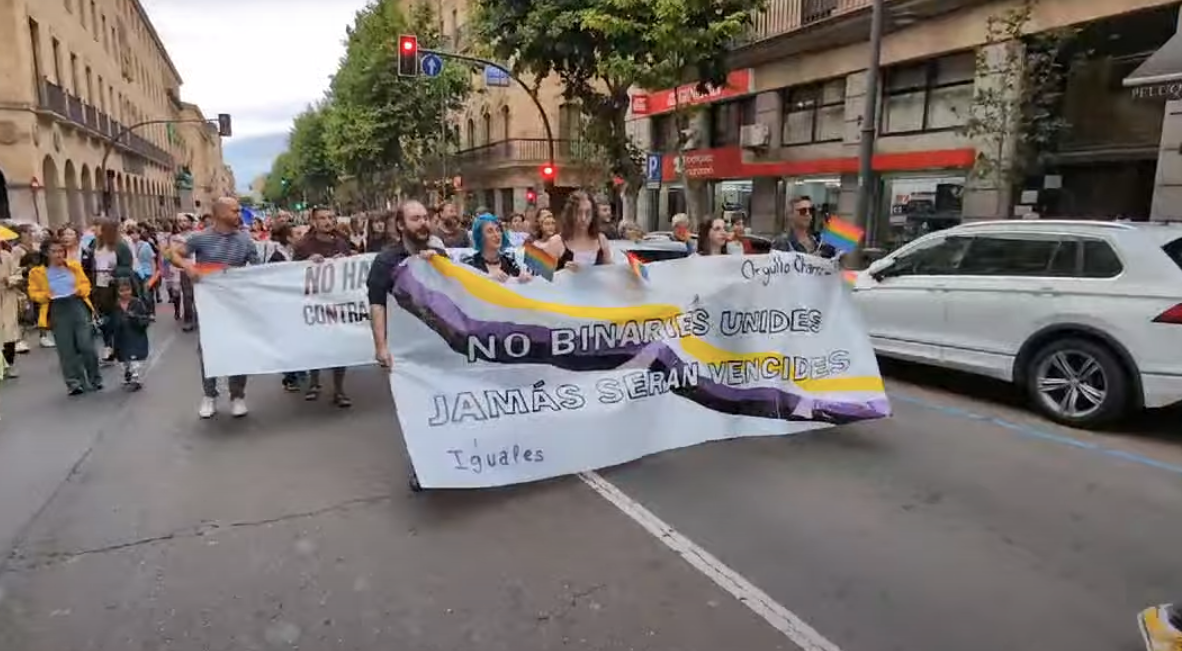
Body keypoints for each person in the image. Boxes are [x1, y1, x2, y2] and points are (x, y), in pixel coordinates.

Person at [168, 197, 259, 419]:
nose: (239, 215)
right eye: (235, 211)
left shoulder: (245, 240)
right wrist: (187, 265)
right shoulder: (200, 238)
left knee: (238, 348)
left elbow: (258, 269)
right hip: (210, 304)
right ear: (219, 213)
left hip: (236, 303)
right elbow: (173, 254)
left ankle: (237, 396)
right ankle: (209, 395)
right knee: (208, 348)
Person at [366, 201, 446, 370]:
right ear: (401, 225)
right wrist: (381, 347)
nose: (423, 223)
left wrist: (438, 264)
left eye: (425, 218)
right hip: (405, 347)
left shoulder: (439, 255)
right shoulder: (385, 261)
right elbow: (377, 305)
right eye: (415, 219)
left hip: (440, 343)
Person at [292, 207, 353, 407]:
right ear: (314, 222)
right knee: (315, 343)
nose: (327, 221)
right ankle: (314, 383)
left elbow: (352, 268)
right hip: (314, 302)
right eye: (322, 218)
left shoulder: (342, 242)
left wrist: (345, 261)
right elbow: (290, 272)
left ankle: (339, 389)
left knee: (340, 345)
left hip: (337, 301)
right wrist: (306, 263)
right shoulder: (303, 245)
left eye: (331, 217)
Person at [27, 238, 102, 395]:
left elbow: (86, 284)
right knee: (66, 349)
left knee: (86, 345)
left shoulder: (73, 266)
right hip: (56, 308)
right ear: (46, 253)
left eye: (61, 251)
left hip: (77, 305)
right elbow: (33, 293)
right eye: (54, 251)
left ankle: (95, 378)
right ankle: (74, 383)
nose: (58, 254)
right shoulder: (37, 272)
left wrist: (80, 290)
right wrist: (46, 295)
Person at [85, 218, 136, 363]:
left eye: (98, 226)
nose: (94, 229)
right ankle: (108, 345)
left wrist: (114, 272)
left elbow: (128, 268)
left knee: (117, 318)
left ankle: (121, 346)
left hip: (116, 287)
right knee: (103, 320)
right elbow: (89, 264)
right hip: (99, 288)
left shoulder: (121, 246)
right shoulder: (94, 244)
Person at [463, 213, 533, 284]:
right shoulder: (470, 263)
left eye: (498, 230)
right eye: (490, 231)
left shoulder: (510, 262)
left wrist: (525, 278)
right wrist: (489, 278)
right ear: (480, 237)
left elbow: (522, 282)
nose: (496, 235)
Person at [109, 277, 151, 391]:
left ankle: (135, 378)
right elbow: (111, 322)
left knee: (135, 361)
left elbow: (145, 319)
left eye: (128, 289)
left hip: (136, 336)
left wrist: (136, 318)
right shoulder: (114, 306)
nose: (125, 293)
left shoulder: (137, 303)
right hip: (121, 339)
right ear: (117, 291)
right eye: (121, 290)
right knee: (124, 361)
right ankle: (128, 374)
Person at [553, 190, 612, 270]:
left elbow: (610, 271)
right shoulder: (557, 242)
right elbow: (541, 274)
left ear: (593, 214)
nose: (583, 218)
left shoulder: (601, 240)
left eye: (588, 213)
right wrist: (561, 270)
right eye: (578, 212)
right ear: (570, 214)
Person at [0, 242, 23, 379]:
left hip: (7, 296)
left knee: (9, 331)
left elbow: (18, 274)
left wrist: (9, 280)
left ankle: (9, 363)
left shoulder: (6, 256)